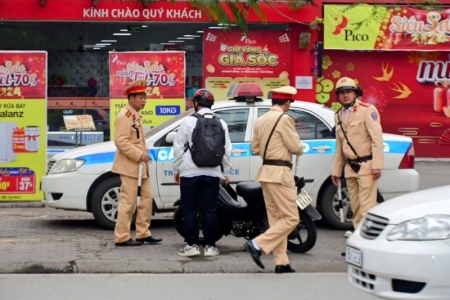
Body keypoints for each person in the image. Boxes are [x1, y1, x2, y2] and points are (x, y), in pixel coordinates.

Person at [244, 86, 303, 274]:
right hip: (280, 173)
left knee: (277, 220)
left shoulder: (260, 120)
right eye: (289, 104)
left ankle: (281, 262)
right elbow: (297, 147)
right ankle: (257, 244)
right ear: (287, 103)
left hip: (266, 172)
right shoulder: (285, 119)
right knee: (291, 218)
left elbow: (255, 149)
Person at [172, 89, 232, 257]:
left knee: (189, 209)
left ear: (195, 103)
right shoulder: (221, 123)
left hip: (190, 172)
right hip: (212, 173)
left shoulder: (188, 122)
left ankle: (191, 245)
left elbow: (178, 148)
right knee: (209, 210)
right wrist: (225, 172)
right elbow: (226, 150)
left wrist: (177, 170)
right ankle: (210, 246)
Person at [331, 77, 384, 238]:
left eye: (349, 92)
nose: (345, 96)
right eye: (342, 93)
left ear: (355, 93)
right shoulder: (338, 115)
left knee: (367, 205)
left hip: (367, 165)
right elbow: (339, 146)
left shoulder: (367, 110)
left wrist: (377, 165)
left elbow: (377, 139)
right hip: (350, 168)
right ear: (338, 96)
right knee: (354, 206)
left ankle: (366, 237)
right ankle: (358, 235)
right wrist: (336, 171)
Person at [112, 79, 162, 247]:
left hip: (141, 166)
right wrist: (140, 154)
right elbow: (121, 142)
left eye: (144, 97)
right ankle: (122, 237)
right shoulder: (124, 116)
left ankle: (143, 233)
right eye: (140, 97)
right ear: (131, 98)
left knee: (146, 200)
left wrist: (143, 155)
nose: (144, 100)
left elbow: (138, 140)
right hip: (129, 166)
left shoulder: (134, 114)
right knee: (129, 202)